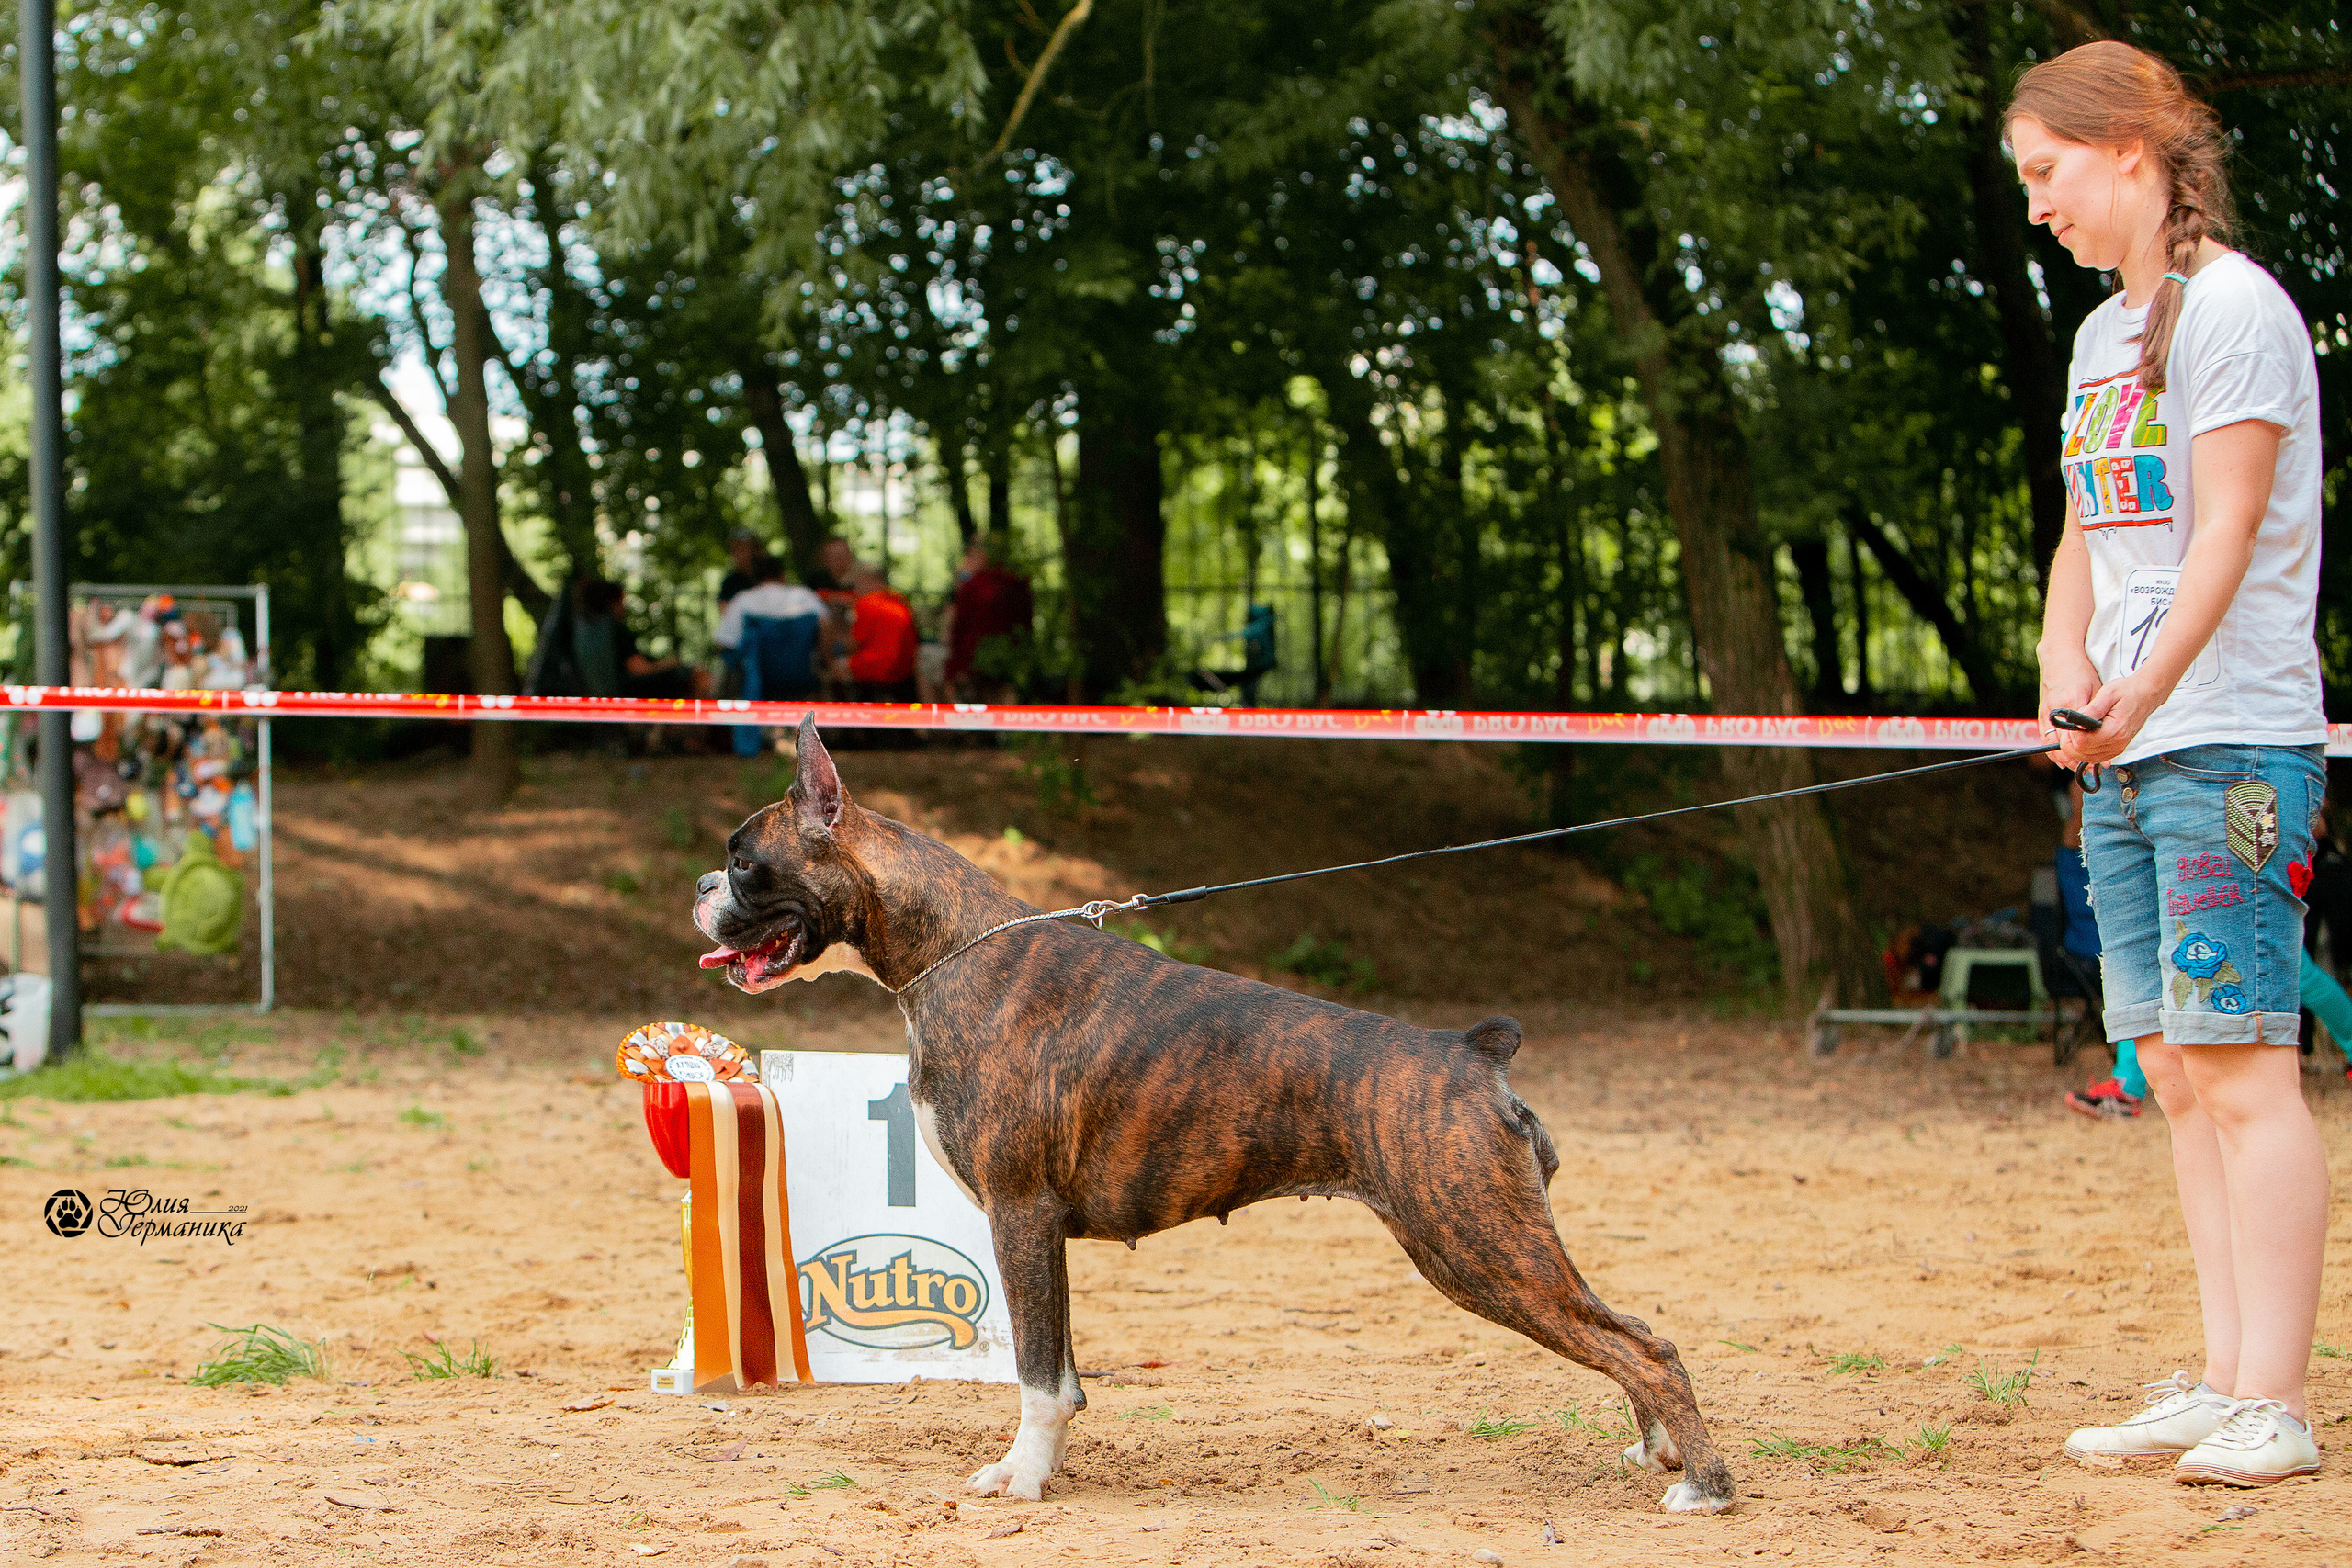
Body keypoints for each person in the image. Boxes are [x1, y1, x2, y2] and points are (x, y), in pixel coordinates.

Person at [2014, 43, 2329, 1486]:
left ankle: (2280, 1398)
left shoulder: (2240, 311)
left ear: (2129, 149)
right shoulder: (2096, 341)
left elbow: (2227, 533)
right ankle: (2220, 1379)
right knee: (2175, 1069)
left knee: (2246, 1064)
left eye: (2048, 174)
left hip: (2231, 740)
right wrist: (2065, 677)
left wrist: (2138, 691)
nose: (2038, 207)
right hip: (2128, 748)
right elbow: (2089, 534)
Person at [715, 554, 826, 758]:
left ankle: (733, 739)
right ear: (783, 575)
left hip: (759, 681)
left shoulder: (744, 601)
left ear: (756, 579)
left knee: (731, 670)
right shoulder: (806, 597)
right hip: (803, 676)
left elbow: (724, 643)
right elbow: (825, 632)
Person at [941, 535, 1034, 697]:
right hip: (1014, 663)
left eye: (971, 554)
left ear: (982, 555)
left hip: (972, 664)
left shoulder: (973, 587)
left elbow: (954, 635)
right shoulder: (1018, 583)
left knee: (924, 658)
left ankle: (936, 720)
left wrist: (961, 581)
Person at [573, 579, 695, 701]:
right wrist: (670, 663)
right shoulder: (615, 631)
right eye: (622, 601)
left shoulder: (583, 632)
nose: (624, 606)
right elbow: (640, 670)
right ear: (613, 603)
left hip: (600, 695)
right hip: (625, 694)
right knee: (697, 677)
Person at [843, 562, 920, 704]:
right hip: (904, 672)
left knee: (836, 667)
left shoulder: (864, 604)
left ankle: (843, 719)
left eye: (856, 583)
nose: (855, 588)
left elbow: (852, 646)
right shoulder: (900, 601)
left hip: (875, 671)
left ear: (867, 580)